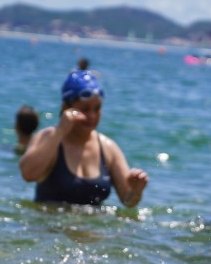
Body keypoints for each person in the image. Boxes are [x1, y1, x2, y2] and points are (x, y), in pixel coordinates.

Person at [19, 70, 148, 207]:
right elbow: (28, 174)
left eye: (97, 109)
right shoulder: (49, 137)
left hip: (92, 227)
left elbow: (127, 200)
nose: (92, 116)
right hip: (51, 226)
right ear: (66, 108)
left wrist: (136, 191)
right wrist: (60, 131)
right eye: (85, 109)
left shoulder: (107, 147)